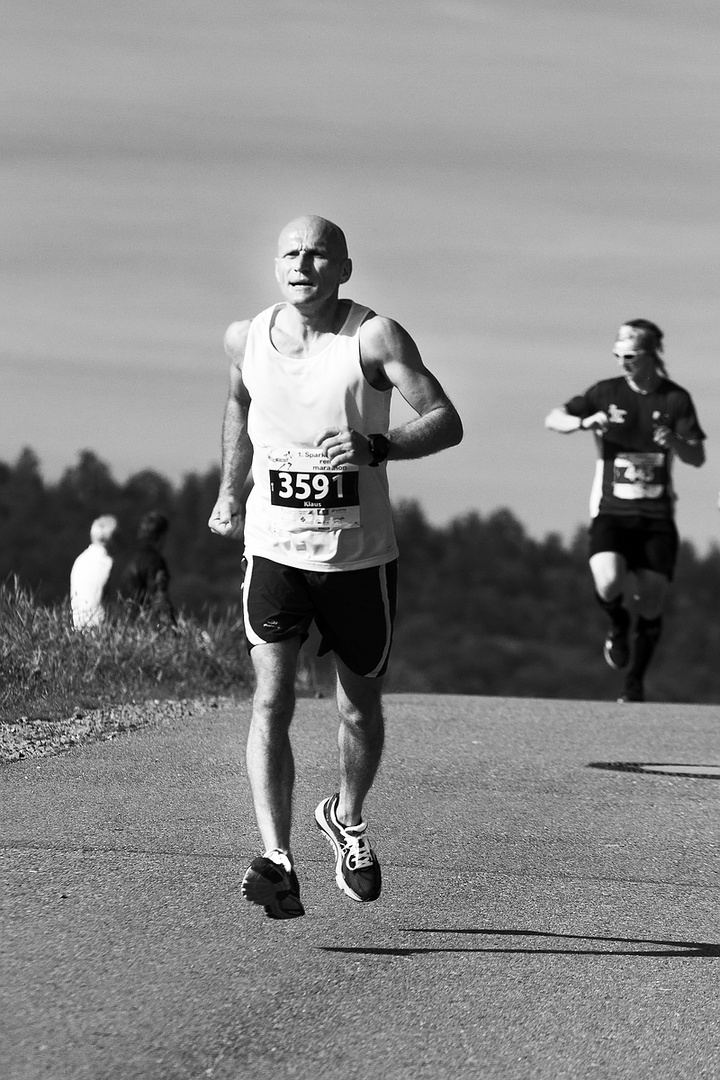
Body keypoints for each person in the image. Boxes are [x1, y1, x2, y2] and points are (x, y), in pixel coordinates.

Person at [208, 214, 463, 920]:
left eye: (319, 254)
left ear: (343, 269)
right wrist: (231, 492)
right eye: (291, 252)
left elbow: (446, 419)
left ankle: (346, 819)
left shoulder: (374, 337)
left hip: (359, 559)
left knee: (358, 705)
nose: (303, 263)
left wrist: (378, 446)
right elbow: (238, 405)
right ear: (276, 264)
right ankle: (277, 860)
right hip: (275, 548)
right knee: (272, 699)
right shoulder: (245, 338)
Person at [545, 319, 705, 703]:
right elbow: (553, 418)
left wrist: (676, 442)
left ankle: (634, 683)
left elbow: (697, 456)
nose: (622, 362)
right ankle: (617, 623)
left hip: (656, 517)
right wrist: (585, 422)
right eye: (617, 355)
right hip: (611, 511)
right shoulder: (604, 393)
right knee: (609, 582)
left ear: (651, 356)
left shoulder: (675, 399)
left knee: (651, 600)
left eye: (630, 356)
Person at [120, 511, 176, 628]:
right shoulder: (155, 560)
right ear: (161, 535)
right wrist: (173, 628)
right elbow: (159, 597)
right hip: (145, 625)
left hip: (125, 622)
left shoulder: (130, 556)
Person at [69, 515, 119, 630]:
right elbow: (111, 599)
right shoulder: (107, 563)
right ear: (111, 539)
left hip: (78, 626)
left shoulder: (80, 560)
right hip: (100, 628)